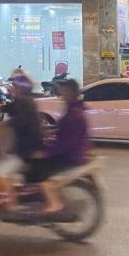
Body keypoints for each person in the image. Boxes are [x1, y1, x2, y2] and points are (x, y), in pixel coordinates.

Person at [26, 79, 91, 214]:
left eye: (64, 91)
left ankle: (54, 204)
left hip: (70, 157)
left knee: (36, 168)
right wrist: (49, 137)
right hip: (72, 153)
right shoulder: (73, 109)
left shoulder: (74, 114)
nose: (61, 94)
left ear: (71, 92)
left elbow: (66, 143)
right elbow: (64, 135)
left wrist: (46, 152)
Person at [0, 73, 44, 208]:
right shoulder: (25, 100)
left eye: (14, 86)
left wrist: (3, 126)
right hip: (29, 144)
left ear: (21, 88)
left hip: (26, 148)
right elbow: (10, 108)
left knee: (1, 172)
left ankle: (12, 205)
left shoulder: (23, 101)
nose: (12, 88)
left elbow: (20, 120)